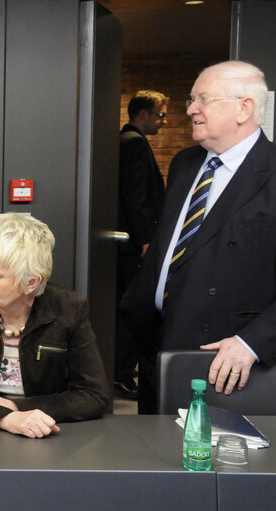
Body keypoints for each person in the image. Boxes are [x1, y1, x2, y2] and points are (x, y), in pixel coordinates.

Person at [121, 61, 276, 414]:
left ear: (244, 108)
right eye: (192, 99)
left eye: (203, 99)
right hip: (157, 344)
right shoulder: (185, 163)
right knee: (151, 458)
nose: (190, 109)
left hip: (226, 362)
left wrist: (252, 343)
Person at [0, 213, 109, 438]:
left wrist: (16, 407)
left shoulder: (69, 309)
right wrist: (5, 417)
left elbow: (93, 396)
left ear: (31, 282)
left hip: (46, 434)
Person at [115, 90, 168, 400]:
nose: (162, 122)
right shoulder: (134, 144)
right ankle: (121, 372)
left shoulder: (126, 141)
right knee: (134, 307)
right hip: (134, 246)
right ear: (143, 114)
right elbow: (135, 198)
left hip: (130, 243)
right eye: (160, 115)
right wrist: (146, 239)